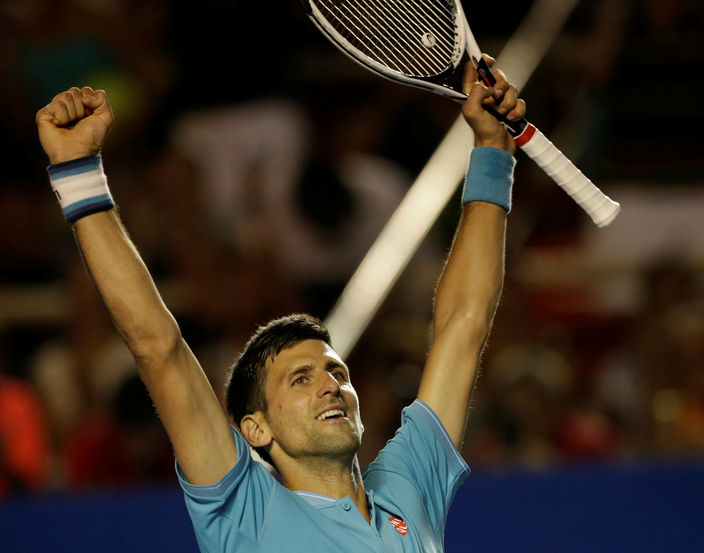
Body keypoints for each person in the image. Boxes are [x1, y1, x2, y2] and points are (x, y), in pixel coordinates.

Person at [34, 56, 524, 551]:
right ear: (255, 428)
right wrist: (78, 173)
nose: (331, 386)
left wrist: (491, 149)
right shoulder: (244, 508)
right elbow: (158, 347)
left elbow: (465, 322)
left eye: (335, 373)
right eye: (301, 379)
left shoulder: (408, 488)